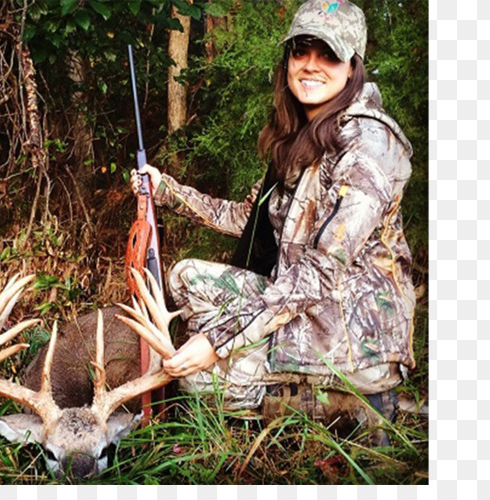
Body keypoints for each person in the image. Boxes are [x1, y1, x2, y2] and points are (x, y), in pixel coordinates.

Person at [130, 0, 416, 422]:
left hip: (353, 341)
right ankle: (265, 372)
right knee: (183, 278)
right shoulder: (305, 137)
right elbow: (246, 219)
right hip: (305, 305)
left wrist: (218, 342)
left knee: (195, 383)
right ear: (287, 60)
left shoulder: (369, 144)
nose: (311, 65)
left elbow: (321, 269)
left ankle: (351, 402)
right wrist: (165, 190)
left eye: (329, 54)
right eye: (301, 50)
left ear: (352, 66)